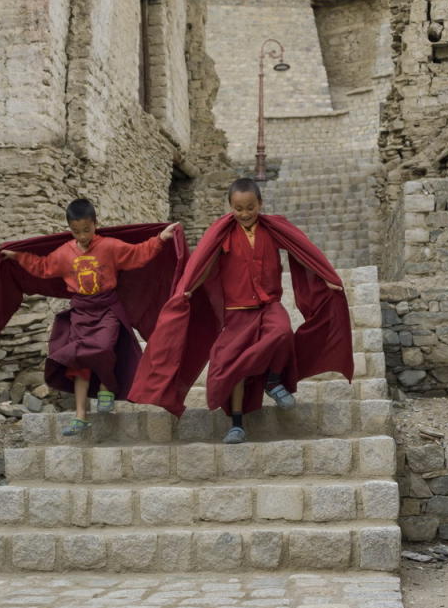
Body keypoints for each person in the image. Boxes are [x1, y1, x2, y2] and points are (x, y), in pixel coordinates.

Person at [128, 178, 353, 443]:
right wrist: (187, 289)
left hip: (269, 305)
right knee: (232, 366)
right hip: (236, 313)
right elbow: (204, 264)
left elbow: (302, 249)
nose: (245, 214)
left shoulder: (273, 230)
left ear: (260, 204)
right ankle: (236, 424)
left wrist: (326, 276)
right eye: (239, 208)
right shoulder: (223, 233)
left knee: (281, 332)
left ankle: (272, 380)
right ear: (230, 207)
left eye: (250, 207)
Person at [0, 199, 184, 435]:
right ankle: (80, 416)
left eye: (87, 230)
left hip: (107, 310)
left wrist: (160, 239)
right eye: (76, 231)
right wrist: (18, 257)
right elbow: (43, 267)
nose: (82, 236)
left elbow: (137, 254)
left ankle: (107, 387)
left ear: (95, 224)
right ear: (69, 229)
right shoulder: (64, 253)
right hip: (81, 312)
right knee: (78, 361)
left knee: (103, 350)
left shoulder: (110, 246)